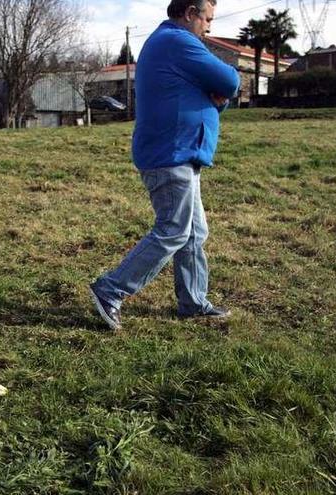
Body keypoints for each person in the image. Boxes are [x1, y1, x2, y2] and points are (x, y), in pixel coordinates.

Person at [89, 0, 240, 330]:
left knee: (194, 233)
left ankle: (194, 302)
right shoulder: (177, 41)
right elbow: (229, 80)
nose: (209, 27)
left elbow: (215, 97)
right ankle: (109, 289)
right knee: (174, 230)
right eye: (207, 18)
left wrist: (217, 98)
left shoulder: (170, 44)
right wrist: (222, 93)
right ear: (189, 13)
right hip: (170, 153)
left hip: (181, 152)